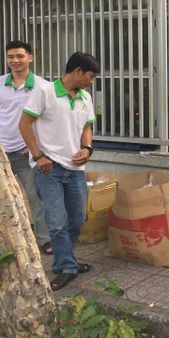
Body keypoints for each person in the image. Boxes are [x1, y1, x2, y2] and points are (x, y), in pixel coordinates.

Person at [19, 52, 98, 291]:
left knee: (77, 219)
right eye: (90, 76)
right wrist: (38, 156)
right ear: (77, 71)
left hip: (76, 169)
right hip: (49, 169)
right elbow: (24, 124)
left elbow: (87, 127)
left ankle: (65, 261)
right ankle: (67, 267)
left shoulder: (85, 97)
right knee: (56, 222)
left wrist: (87, 148)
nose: (91, 81)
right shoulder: (45, 91)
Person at [0, 41, 52, 255]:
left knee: (36, 196)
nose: (15, 61)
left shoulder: (43, 86)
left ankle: (44, 239)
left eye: (20, 56)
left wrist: (35, 146)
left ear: (30, 57)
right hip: (1, 153)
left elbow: (49, 118)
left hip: (26, 153)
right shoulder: (0, 83)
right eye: (11, 56)